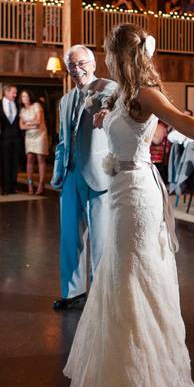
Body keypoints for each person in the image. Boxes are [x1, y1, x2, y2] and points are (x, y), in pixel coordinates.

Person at [63, 22, 194, 387]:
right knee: (116, 269)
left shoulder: (146, 92)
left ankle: (140, 374)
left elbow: (181, 120)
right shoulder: (125, 94)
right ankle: (114, 363)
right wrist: (102, 121)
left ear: (119, 54)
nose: (106, 60)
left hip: (139, 193)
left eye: (109, 53)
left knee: (133, 272)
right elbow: (123, 126)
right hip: (120, 190)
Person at [52, 46, 118, 310]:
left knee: (100, 239)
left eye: (80, 63)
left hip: (100, 174)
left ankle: (100, 296)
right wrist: (58, 172)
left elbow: (112, 120)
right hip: (70, 175)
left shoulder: (109, 88)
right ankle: (73, 292)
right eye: (71, 65)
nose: (76, 69)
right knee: (69, 236)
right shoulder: (65, 100)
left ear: (92, 63)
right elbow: (62, 140)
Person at [19, 89, 48, 195]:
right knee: (29, 158)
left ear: (30, 97)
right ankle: (30, 184)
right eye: (22, 96)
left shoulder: (37, 106)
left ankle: (41, 184)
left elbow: (38, 122)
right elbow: (21, 126)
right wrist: (31, 123)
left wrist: (27, 123)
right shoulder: (22, 111)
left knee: (40, 158)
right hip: (29, 136)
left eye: (26, 96)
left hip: (40, 135)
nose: (24, 98)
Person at [0, 84, 23, 194]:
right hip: (3, 139)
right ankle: (4, 187)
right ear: (6, 92)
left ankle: (13, 186)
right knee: (3, 163)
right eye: (14, 92)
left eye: (16, 93)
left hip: (16, 138)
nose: (15, 95)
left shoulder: (18, 104)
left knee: (14, 163)